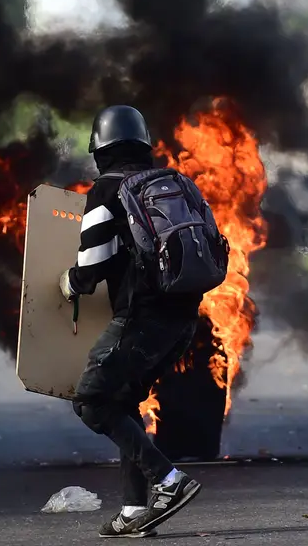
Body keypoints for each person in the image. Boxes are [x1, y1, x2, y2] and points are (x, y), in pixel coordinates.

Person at [60, 105, 227, 539]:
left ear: (99, 148)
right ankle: (134, 511)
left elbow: (92, 263)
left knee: (92, 402)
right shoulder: (172, 184)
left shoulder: (106, 191)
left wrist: (68, 283)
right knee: (124, 403)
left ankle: (168, 481)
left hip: (141, 320)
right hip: (183, 321)